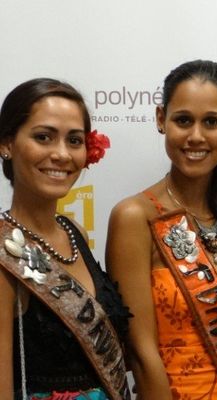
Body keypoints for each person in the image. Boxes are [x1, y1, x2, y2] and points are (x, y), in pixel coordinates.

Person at [106, 59, 217, 400]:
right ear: (160, 119)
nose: (196, 136)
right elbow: (141, 353)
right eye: (183, 120)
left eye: (211, 121)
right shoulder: (135, 217)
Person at [0, 78, 130, 400]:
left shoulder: (75, 233)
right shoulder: (3, 253)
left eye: (74, 140)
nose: (61, 154)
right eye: (43, 137)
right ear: (7, 143)